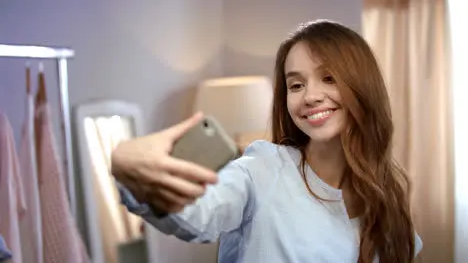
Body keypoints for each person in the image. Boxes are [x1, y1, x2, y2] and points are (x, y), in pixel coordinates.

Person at [111, 19, 423, 263]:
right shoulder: (262, 166)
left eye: (328, 78)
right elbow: (198, 216)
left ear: (362, 86)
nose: (311, 96)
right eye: (296, 84)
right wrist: (129, 165)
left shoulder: (388, 194)